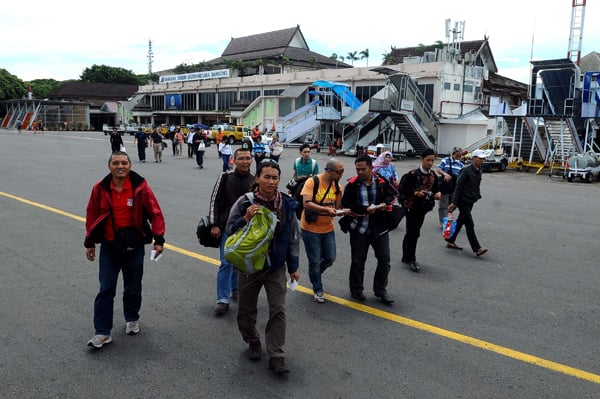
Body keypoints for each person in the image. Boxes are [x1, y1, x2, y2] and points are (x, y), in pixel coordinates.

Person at [83, 151, 166, 349]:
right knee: (106, 288)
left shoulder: (140, 187)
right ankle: (102, 332)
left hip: (134, 245)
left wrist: (159, 238)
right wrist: (90, 242)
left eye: (124, 163)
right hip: (110, 246)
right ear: (109, 166)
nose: (120, 166)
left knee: (133, 286)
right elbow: (92, 213)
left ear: (130, 165)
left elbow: (155, 212)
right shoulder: (100, 188)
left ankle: (132, 317)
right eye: (115, 163)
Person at [226, 159, 299, 375]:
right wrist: (245, 219)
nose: (271, 181)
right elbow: (230, 229)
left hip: (276, 266)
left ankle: (276, 354)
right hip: (249, 265)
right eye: (266, 177)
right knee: (246, 310)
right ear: (257, 179)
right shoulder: (245, 202)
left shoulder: (286, 204)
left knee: (278, 310)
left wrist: (293, 266)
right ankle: (253, 341)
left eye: (275, 177)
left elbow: (293, 237)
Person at [341, 155, 398, 304]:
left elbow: (392, 194)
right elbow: (345, 203)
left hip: (379, 228)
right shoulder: (352, 185)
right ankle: (356, 290)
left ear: (371, 168)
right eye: (357, 169)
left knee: (384, 260)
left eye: (363, 169)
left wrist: (384, 204)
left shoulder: (381, 181)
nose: (359, 172)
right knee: (358, 261)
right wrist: (364, 209)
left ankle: (380, 290)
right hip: (359, 228)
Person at [208, 148, 255, 315]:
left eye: (247, 158)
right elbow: (215, 201)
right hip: (227, 228)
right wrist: (214, 224)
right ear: (234, 161)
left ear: (251, 160)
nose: (244, 161)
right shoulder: (225, 177)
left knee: (241, 263)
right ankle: (222, 299)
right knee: (226, 263)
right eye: (241, 158)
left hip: (247, 230)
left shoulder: (255, 181)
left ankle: (236, 290)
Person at [300, 158, 347, 303]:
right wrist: (327, 209)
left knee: (330, 258)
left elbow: (337, 206)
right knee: (314, 261)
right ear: (329, 171)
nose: (341, 174)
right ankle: (317, 288)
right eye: (339, 172)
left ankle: (314, 275)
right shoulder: (312, 182)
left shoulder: (338, 187)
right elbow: (307, 203)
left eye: (342, 171)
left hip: (328, 227)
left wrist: (343, 211)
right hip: (310, 228)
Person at [398, 148, 441, 273]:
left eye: (432, 160)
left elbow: (437, 188)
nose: (430, 163)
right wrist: (415, 193)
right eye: (428, 160)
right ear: (421, 159)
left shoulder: (433, 175)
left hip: (423, 208)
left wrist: (438, 193)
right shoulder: (412, 175)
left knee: (412, 232)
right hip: (411, 207)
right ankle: (411, 258)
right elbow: (402, 189)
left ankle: (406, 256)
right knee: (413, 232)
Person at [445, 149, 488, 257]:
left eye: (483, 158)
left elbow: (476, 185)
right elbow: (458, 186)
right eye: (480, 158)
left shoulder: (479, 170)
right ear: (473, 158)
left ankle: (450, 240)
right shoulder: (466, 170)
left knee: (461, 221)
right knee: (470, 224)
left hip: (471, 200)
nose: (482, 160)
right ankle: (477, 248)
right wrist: (454, 202)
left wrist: (477, 195)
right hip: (463, 201)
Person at [437, 147, 465, 226]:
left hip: (454, 187)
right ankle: (444, 223)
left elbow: (462, 176)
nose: (458, 158)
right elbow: (438, 169)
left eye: (460, 156)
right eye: (457, 156)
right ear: (452, 154)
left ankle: (448, 218)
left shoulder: (461, 164)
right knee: (443, 205)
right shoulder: (445, 160)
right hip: (444, 186)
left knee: (453, 204)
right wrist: (445, 174)